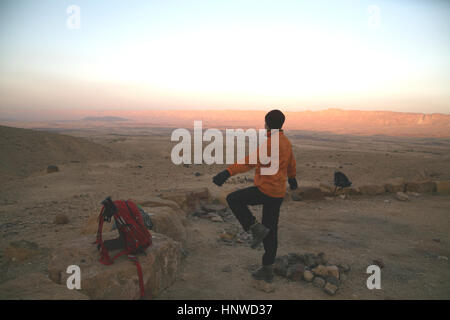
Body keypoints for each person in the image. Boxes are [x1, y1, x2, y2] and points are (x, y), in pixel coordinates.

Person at [212, 109, 297, 283]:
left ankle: (254, 227)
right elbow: (291, 162)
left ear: (266, 123)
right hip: (278, 193)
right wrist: (293, 178)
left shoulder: (270, 143)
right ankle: (267, 268)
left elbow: (249, 162)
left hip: (266, 190)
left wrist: (227, 172)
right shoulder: (286, 142)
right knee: (271, 230)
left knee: (233, 199)